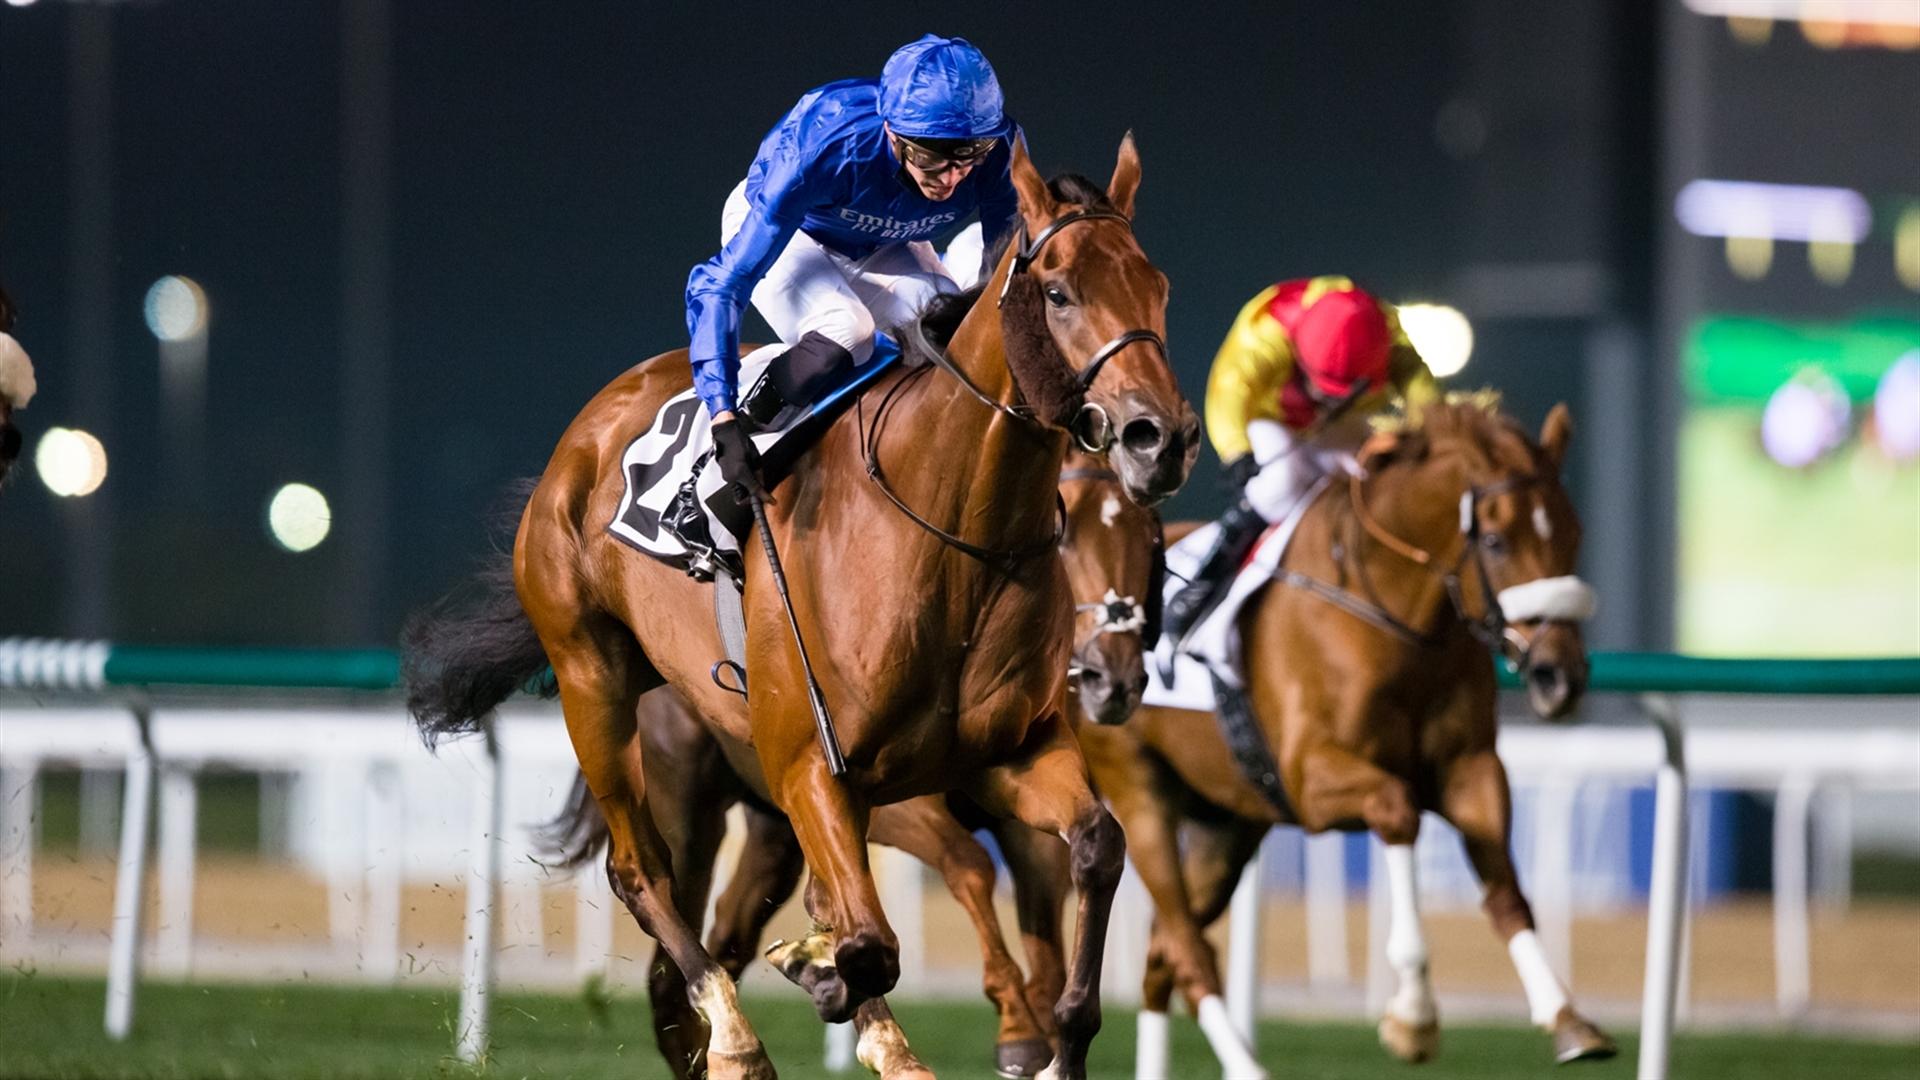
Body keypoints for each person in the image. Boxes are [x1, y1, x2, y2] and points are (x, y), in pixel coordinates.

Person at [684, 34, 1020, 501]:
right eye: (930, 157)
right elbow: (722, 283)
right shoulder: (823, 144)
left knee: (949, 333)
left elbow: (1005, 277)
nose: (952, 176)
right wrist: (721, 413)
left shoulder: (1000, 148)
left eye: (970, 154)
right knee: (847, 331)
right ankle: (716, 463)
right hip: (792, 229)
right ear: (890, 133)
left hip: (882, 240)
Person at [1162, 276, 1438, 645]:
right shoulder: (1267, 331)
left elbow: (1423, 393)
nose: (1331, 399)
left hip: (1340, 425)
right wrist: (1237, 450)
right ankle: (1210, 574)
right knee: (1283, 481)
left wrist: (1435, 436)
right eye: (1324, 387)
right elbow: (1230, 391)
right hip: (1272, 415)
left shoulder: (1387, 334)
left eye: (1341, 393)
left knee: (1372, 480)